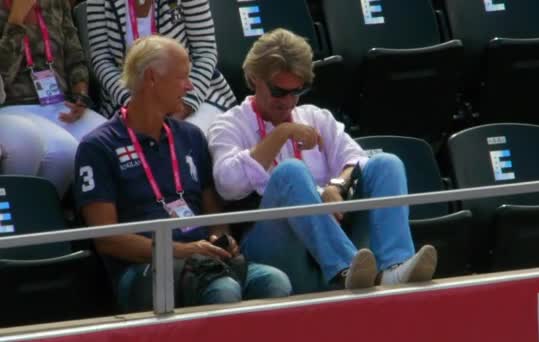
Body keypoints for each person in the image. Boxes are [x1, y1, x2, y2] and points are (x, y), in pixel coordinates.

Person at [208, 29, 438, 295]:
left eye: (297, 91)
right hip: (273, 244)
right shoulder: (229, 124)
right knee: (290, 172)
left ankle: (394, 267)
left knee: (387, 164)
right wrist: (282, 133)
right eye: (278, 92)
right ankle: (347, 267)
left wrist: (337, 186)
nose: (288, 102)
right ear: (252, 79)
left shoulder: (315, 117)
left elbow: (357, 159)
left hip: (334, 234)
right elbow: (227, 185)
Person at [74, 35, 291, 312]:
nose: (190, 86)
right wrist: (181, 250)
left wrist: (219, 239)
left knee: (275, 282)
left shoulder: (190, 136)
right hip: (144, 269)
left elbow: (214, 214)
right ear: (152, 78)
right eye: (182, 77)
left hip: (203, 259)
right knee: (224, 289)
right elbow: (107, 239)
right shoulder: (98, 146)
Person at [0, 0, 106, 195]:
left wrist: (80, 95)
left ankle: (72, 216)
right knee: (64, 152)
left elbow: (75, 55)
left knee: (109, 140)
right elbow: (3, 77)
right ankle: (35, 215)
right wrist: (16, 20)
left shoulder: (56, 3)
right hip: (13, 104)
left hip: (59, 101)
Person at [87, 0, 236, 135]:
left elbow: (205, 51)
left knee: (185, 138)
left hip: (193, 92)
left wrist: (184, 106)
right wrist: (134, 104)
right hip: (127, 100)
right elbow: (101, 58)